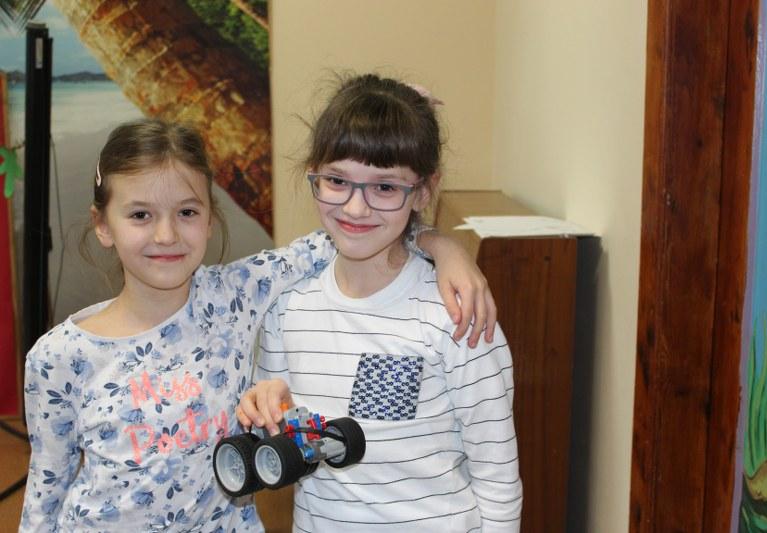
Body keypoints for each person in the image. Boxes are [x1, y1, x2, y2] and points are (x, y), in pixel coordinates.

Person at [19, 118, 497, 532]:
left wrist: (441, 245)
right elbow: (45, 490)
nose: (166, 234)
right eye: (140, 215)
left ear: (210, 219)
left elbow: (348, 231)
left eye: (187, 212)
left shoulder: (237, 294)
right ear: (103, 224)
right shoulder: (59, 358)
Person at [238, 74, 522, 532]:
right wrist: (267, 408)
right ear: (314, 173)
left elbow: (497, 477)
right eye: (337, 180)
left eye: (385, 187)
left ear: (424, 190)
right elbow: (286, 439)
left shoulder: (455, 313)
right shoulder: (288, 305)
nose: (356, 208)